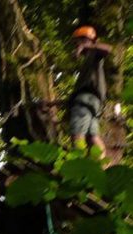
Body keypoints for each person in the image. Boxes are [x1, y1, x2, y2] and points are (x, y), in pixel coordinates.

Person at [67, 25, 113, 156]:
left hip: (85, 99)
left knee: (77, 134)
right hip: (94, 103)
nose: (76, 46)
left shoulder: (94, 53)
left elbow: (108, 49)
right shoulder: (90, 58)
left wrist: (86, 47)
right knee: (93, 137)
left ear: (85, 40)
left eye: (77, 42)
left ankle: (79, 163)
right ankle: (102, 164)